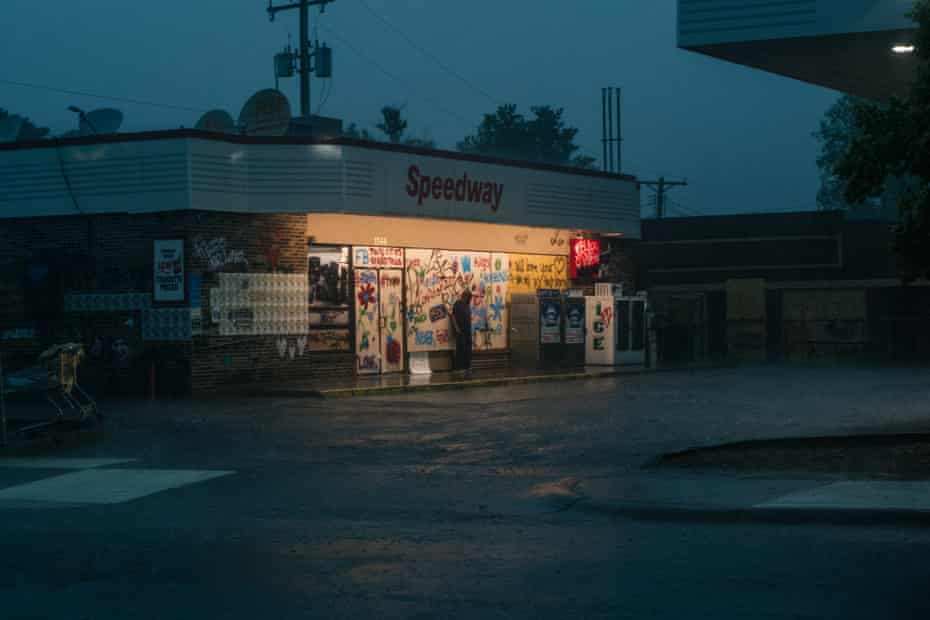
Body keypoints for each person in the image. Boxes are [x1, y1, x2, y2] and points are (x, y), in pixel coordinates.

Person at [451, 288, 473, 372]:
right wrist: (456, 328)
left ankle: (467, 366)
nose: (470, 299)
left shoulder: (467, 305)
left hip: (467, 330)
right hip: (461, 330)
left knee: (468, 348)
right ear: (465, 296)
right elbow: (452, 316)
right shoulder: (457, 304)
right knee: (461, 348)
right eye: (469, 297)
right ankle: (459, 367)